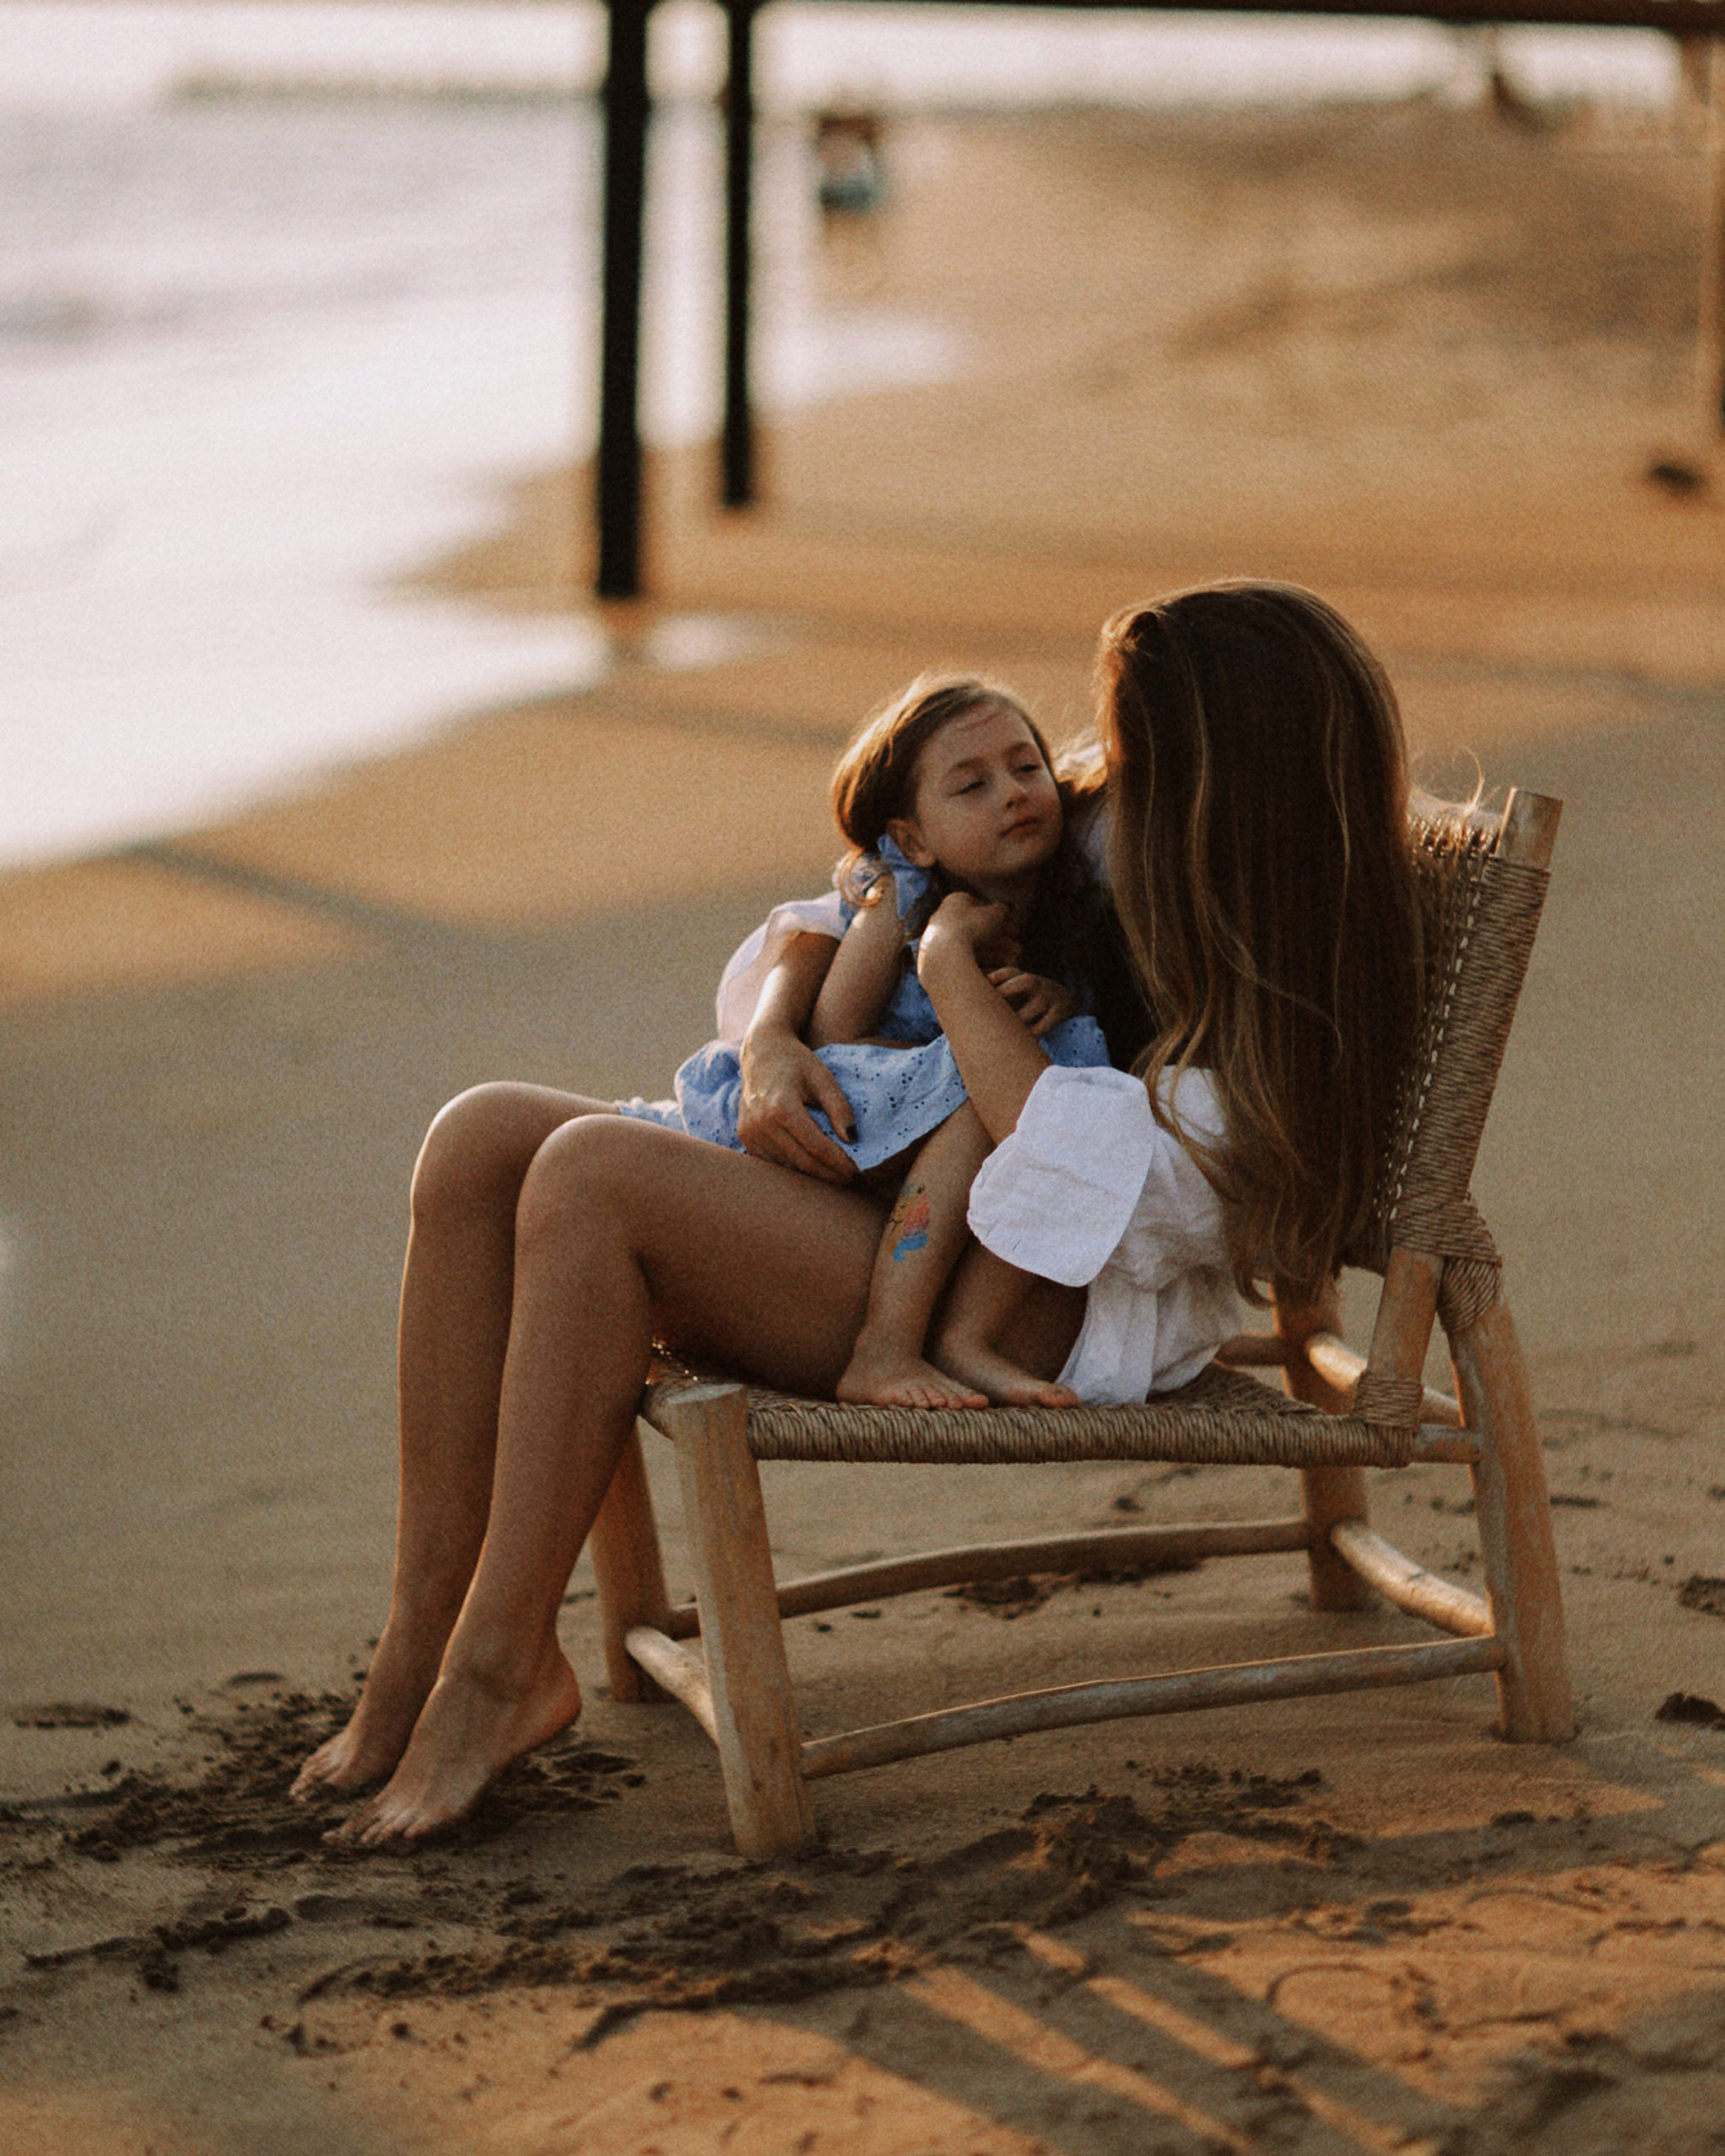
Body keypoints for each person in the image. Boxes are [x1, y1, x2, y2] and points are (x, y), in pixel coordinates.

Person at [291, 580, 1424, 1844]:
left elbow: (1094, 1183)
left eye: (1137, 744)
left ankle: (499, 1675)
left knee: (590, 1175)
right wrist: (776, 1042)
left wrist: (949, 973)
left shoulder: (1282, 999)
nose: (1095, 773)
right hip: (909, 1217)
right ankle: (416, 1653)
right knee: (483, 1137)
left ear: (1222, 778)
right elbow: (839, 910)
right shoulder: (1104, 825)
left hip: (1035, 1294)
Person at [618, 675, 1111, 1409]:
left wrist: (1057, 999)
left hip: (953, 1151)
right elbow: (835, 1031)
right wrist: (934, 952)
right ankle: (886, 1346)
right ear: (912, 836)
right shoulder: (901, 897)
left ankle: (965, 1337)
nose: (1012, 793)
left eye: (1026, 767)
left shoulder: (1072, 904)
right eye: (971, 786)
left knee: (1063, 1078)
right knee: (986, 1095)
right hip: (858, 1107)